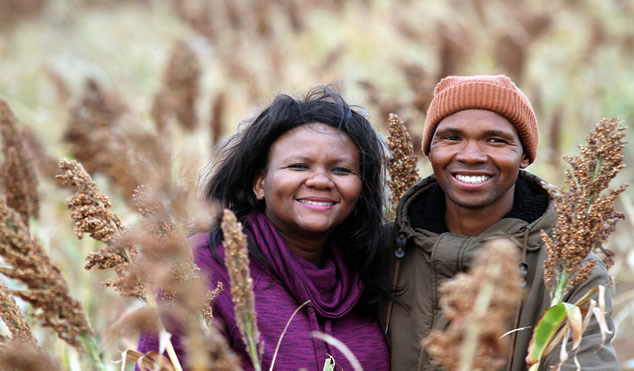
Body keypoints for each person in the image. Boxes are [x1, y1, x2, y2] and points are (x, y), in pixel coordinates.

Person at [138, 86, 391, 370]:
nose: (320, 181)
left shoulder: (373, 269)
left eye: (341, 170)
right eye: (298, 166)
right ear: (260, 183)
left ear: (360, 189)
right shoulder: (201, 266)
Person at [377, 75, 618, 370]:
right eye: (451, 138)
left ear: (525, 156)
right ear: (429, 150)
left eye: (495, 140)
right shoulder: (381, 251)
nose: (471, 155)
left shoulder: (571, 273)